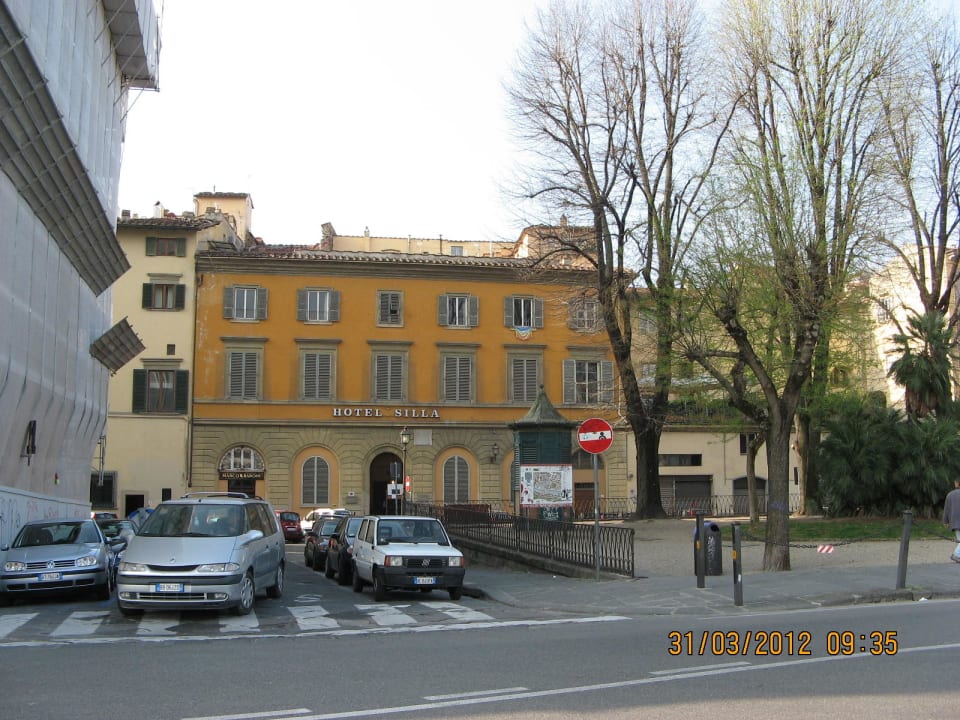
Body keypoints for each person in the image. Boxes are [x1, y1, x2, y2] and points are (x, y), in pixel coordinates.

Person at [943, 479, 960, 563]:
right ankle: (956, 555)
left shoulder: (950, 494)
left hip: (954, 521)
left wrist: (945, 521)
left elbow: (946, 509)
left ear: (957, 484)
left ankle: (957, 555)